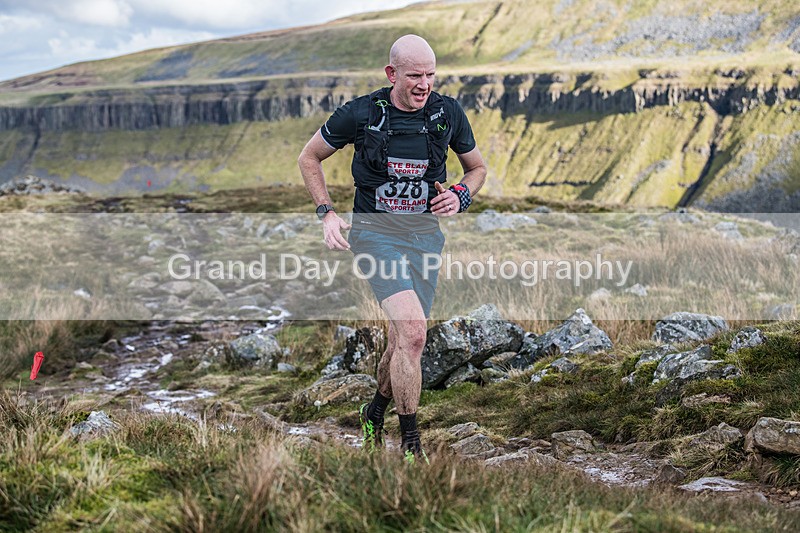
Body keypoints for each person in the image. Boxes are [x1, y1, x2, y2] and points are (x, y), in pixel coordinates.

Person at [298, 34, 486, 463]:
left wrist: (460, 195)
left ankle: (374, 412)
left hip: (425, 238)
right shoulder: (361, 114)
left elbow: (476, 169)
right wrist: (326, 212)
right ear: (392, 74)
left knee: (404, 340)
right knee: (416, 334)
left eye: (431, 75)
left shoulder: (447, 112)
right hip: (374, 235)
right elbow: (309, 157)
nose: (424, 84)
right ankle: (411, 448)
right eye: (415, 75)